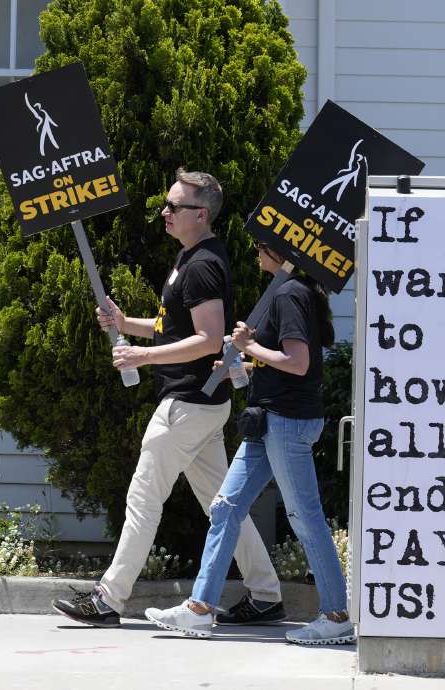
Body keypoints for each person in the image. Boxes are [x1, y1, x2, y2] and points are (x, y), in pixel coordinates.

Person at [52, 169, 284, 627]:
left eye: (173, 206)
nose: (164, 211)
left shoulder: (201, 266)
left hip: (187, 405)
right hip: (200, 404)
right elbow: (173, 327)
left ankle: (108, 599)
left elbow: (208, 338)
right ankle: (267, 593)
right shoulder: (190, 258)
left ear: (200, 214)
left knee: (143, 496)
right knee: (223, 504)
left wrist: (143, 356)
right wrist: (127, 321)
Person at [144, 241, 354, 645]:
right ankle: (200, 608)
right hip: (270, 421)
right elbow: (286, 366)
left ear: (279, 252)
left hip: (287, 424)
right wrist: (243, 368)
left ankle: (336, 615)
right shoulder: (292, 290)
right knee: (225, 508)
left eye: (260, 244)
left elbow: (299, 363)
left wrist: (248, 345)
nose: (255, 250)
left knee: (304, 516)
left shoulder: (291, 292)